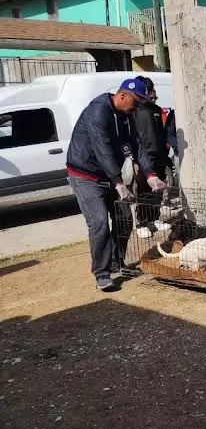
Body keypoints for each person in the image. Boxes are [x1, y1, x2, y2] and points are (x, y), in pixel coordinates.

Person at [66, 78, 167, 291]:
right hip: (86, 175)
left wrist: (150, 174)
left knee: (123, 219)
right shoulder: (98, 111)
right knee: (99, 223)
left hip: (111, 176)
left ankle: (117, 262)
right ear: (122, 96)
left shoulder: (127, 116)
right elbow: (101, 147)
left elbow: (137, 145)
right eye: (136, 102)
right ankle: (102, 273)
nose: (137, 107)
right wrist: (118, 182)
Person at [132, 76, 173, 238]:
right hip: (143, 158)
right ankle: (142, 223)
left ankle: (154, 219)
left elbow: (163, 133)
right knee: (143, 191)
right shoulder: (134, 111)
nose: (148, 94)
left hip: (160, 156)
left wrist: (165, 152)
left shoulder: (156, 110)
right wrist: (134, 160)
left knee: (158, 190)